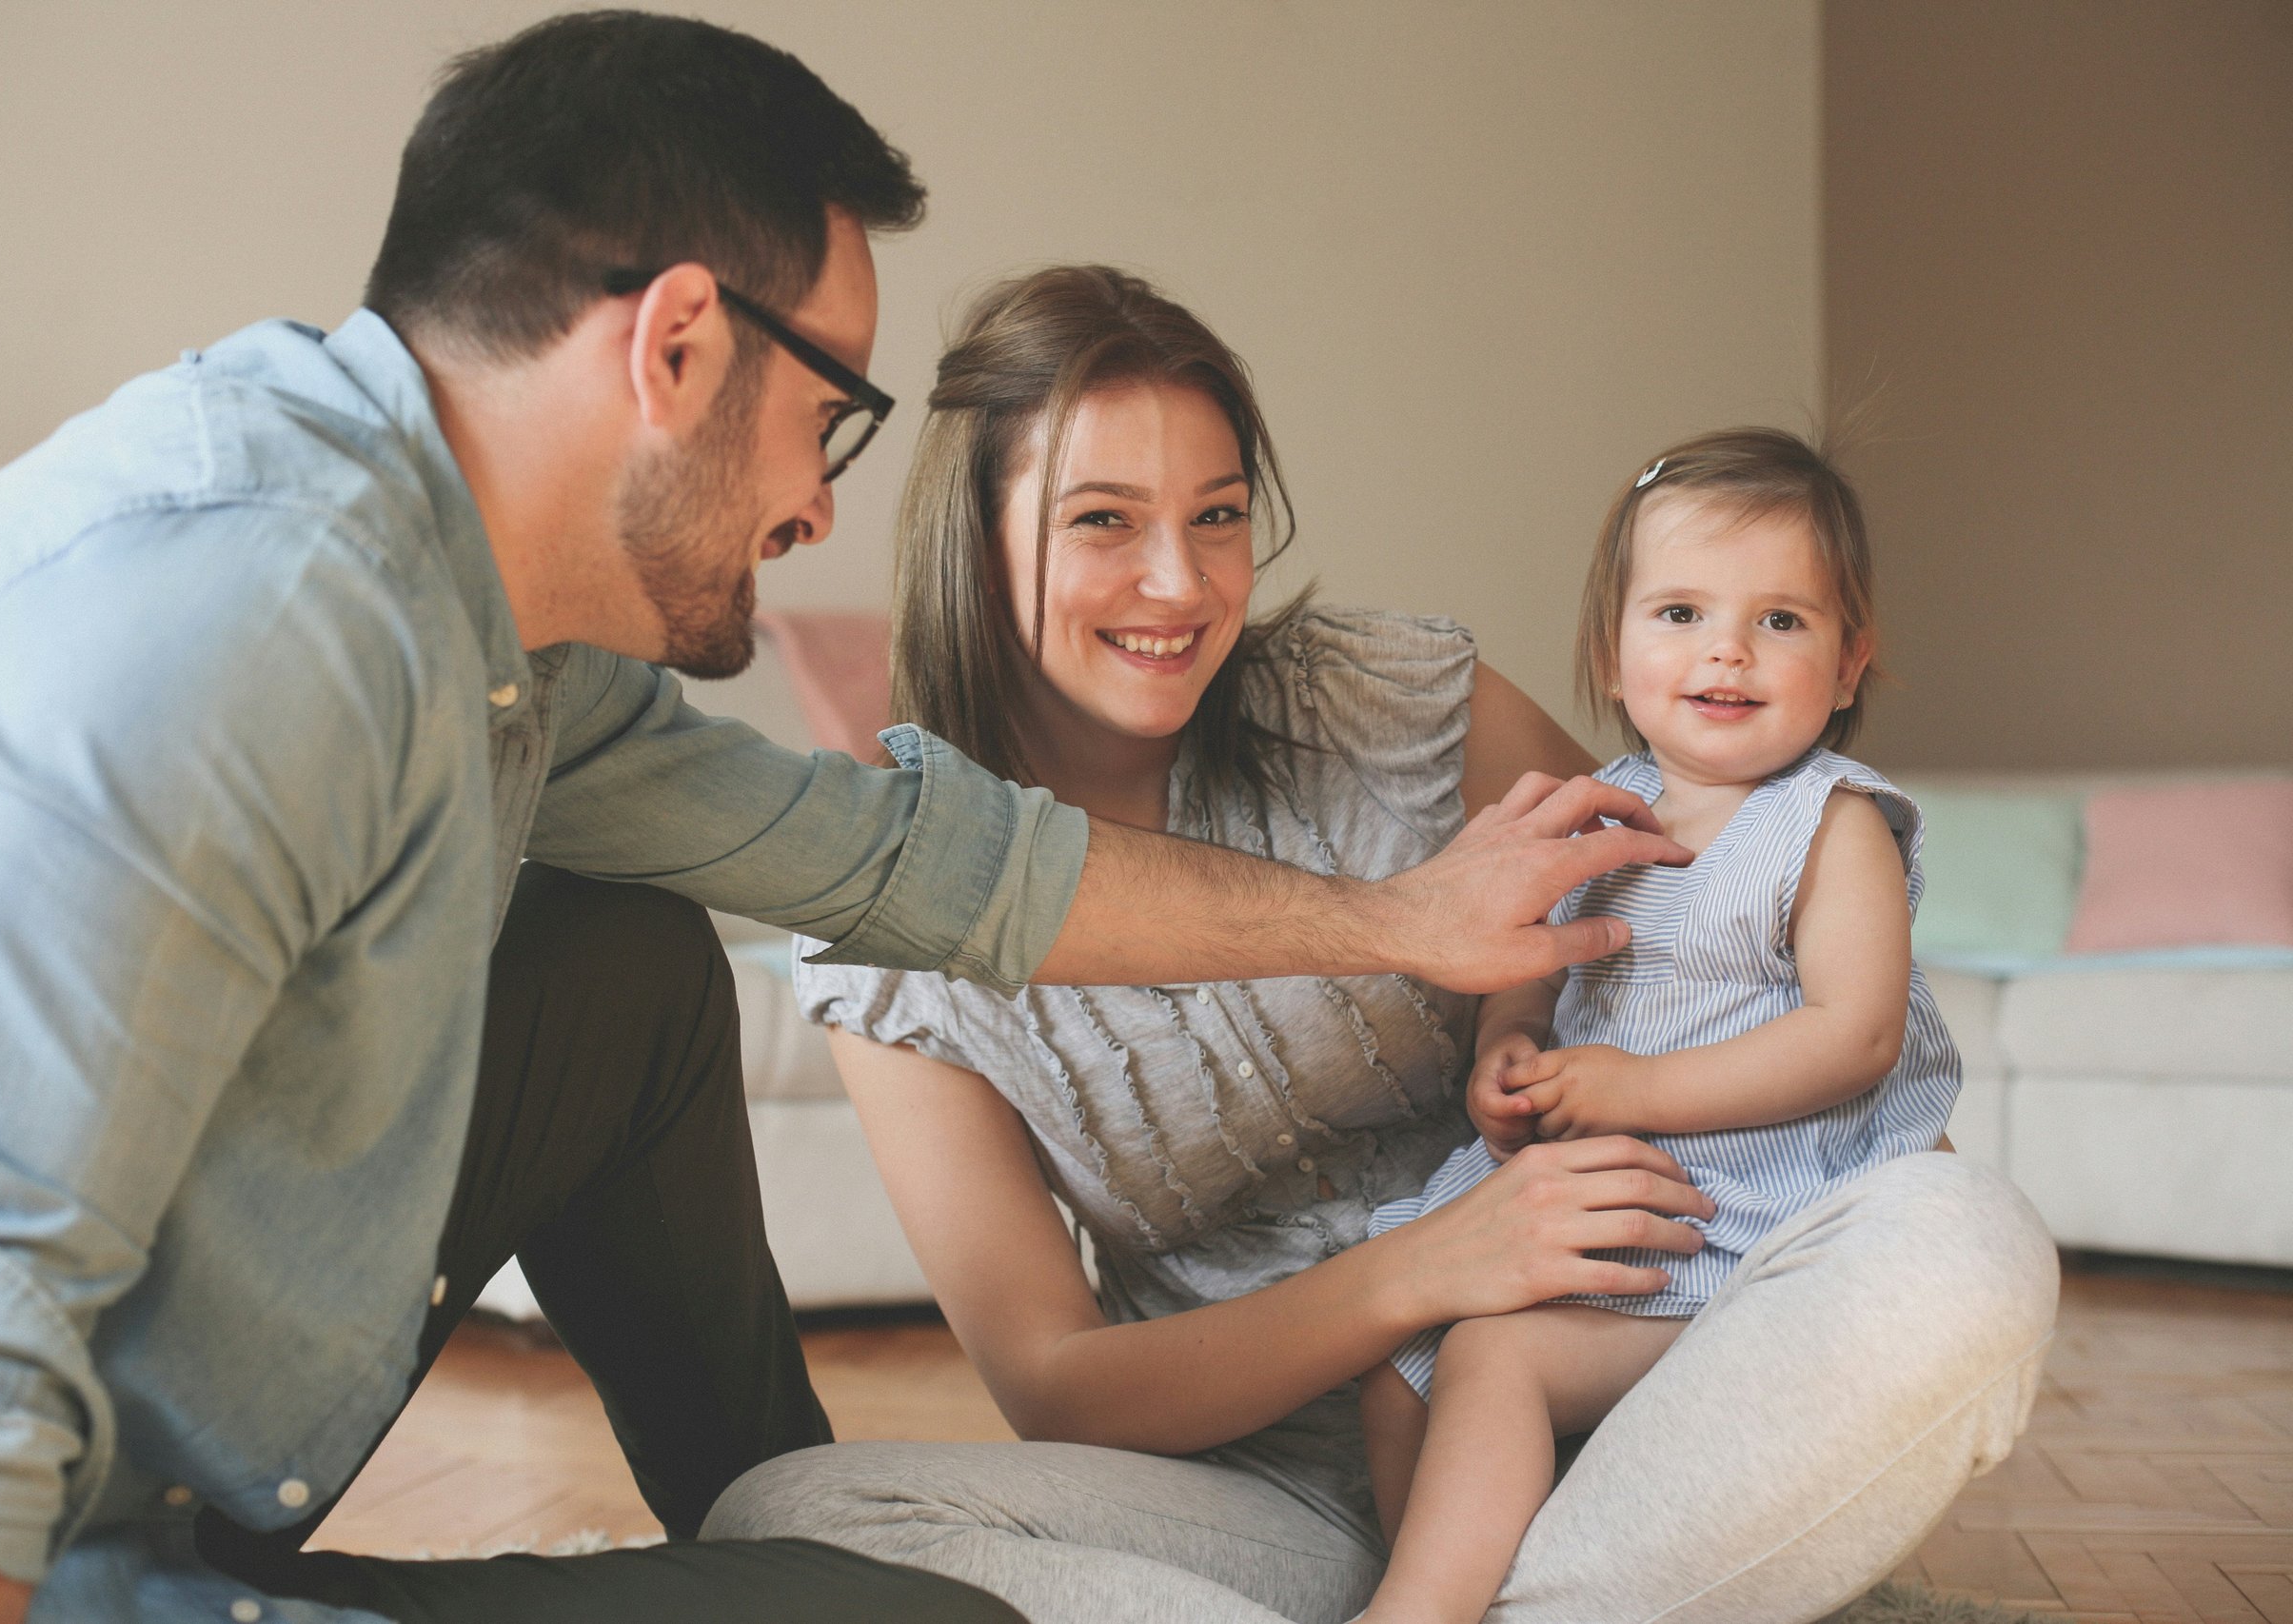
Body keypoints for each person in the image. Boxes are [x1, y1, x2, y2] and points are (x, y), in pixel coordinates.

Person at [0, 17, 1690, 1624]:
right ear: (673, 347)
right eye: (837, 411)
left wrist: (1398, 923)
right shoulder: (257, 626)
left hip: (186, 1467)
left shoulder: (499, 642)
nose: (823, 499)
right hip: (4, 1539)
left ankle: (748, 1528)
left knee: (629, 967)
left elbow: (915, 863)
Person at [702, 267, 2061, 1624]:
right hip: (1268, 1505)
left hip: (1628, 1399)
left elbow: (1693, 941)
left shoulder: (1382, 698)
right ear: (973, 538)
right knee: (795, 1513)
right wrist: (1430, 1264)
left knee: (1963, 1239)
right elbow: (1059, 1385)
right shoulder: (888, 937)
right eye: (1104, 520)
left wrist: (1864, 1209)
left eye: (1219, 516)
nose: (1177, 582)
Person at [1354, 428, 1969, 1624]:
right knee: (1394, 1370)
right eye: (1680, 610)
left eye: (1781, 620)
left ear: (1849, 663)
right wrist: (1506, 1051)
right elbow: (1529, 966)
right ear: (1613, 648)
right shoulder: (1596, 811)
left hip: (1732, 1221)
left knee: (1494, 1356)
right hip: (1594, 1187)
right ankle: (1461, 1586)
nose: (1727, 648)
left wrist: (1631, 1090)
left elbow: (1856, 1036)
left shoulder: (1830, 822)